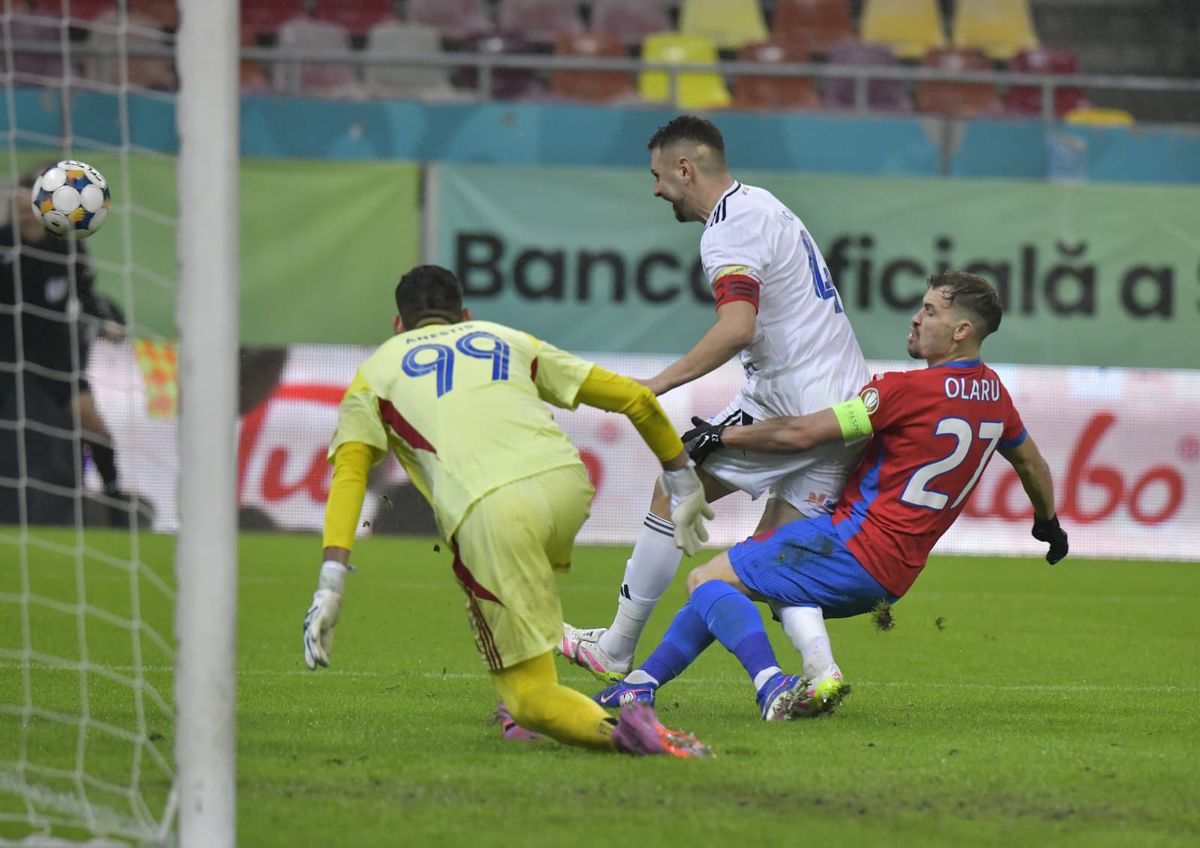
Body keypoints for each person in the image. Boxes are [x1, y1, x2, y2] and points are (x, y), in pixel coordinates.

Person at [592, 271, 1069, 720]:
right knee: (766, 582)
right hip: (897, 574)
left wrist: (721, 438)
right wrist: (1048, 523)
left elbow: (803, 434)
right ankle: (644, 683)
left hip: (852, 547)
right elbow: (1033, 464)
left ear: (961, 330)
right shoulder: (996, 398)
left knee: (706, 582)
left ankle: (771, 685)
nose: (916, 318)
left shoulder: (900, 391)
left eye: (929, 311)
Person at [300, 264, 716, 759]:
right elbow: (636, 399)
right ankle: (519, 681)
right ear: (466, 315)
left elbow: (350, 475)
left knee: (529, 698)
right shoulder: (504, 338)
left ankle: (622, 729)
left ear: (398, 324)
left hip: (489, 509)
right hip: (566, 486)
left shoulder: (377, 371)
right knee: (511, 585)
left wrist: (331, 578)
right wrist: (682, 479)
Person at [561, 115, 871, 697]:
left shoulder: (727, 229)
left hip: (789, 406)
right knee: (774, 560)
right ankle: (820, 673)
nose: (656, 190)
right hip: (849, 413)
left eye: (658, 176)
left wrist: (653, 386)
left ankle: (614, 648)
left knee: (672, 484)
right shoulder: (766, 204)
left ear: (686, 168)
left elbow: (736, 327)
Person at [0, 165, 124, 525]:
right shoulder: (3, 243)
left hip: (51, 353)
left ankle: (114, 496)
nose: (23, 212)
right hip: (6, 351)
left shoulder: (66, 249)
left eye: (29, 206)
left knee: (90, 420)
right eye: (18, 205)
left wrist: (105, 323)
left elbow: (86, 296)